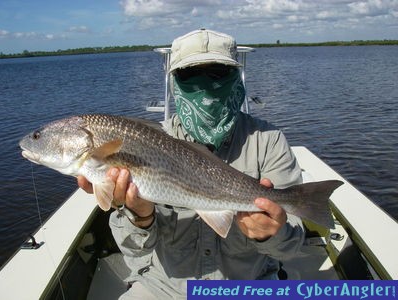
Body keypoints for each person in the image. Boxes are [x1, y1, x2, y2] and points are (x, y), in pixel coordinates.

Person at [78, 29, 305, 299]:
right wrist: (140, 215)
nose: (205, 87)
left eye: (218, 73)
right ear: (174, 82)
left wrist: (270, 235)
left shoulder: (268, 140)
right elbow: (136, 251)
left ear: (238, 77)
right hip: (165, 288)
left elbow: (291, 248)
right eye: (190, 74)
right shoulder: (147, 140)